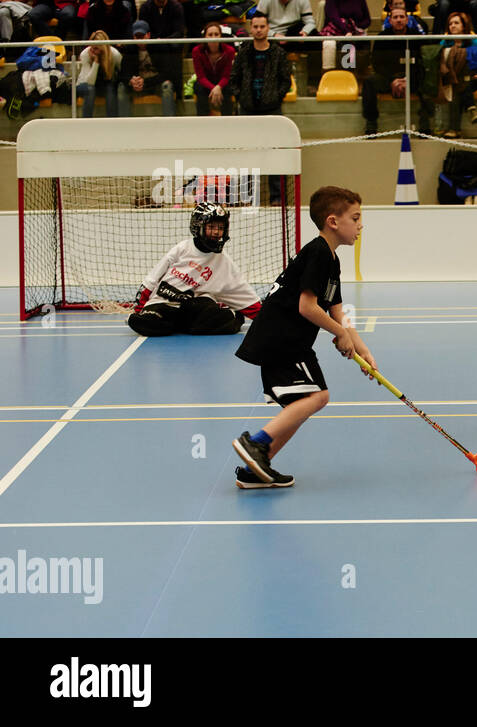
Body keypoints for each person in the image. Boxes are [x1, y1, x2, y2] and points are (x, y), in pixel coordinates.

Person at [232, 186, 375, 489]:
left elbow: (336, 310)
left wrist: (362, 350)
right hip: (281, 338)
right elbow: (307, 306)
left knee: (305, 401)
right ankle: (256, 444)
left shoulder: (330, 259)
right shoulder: (319, 253)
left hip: (285, 339)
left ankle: (256, 467)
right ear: (333, 221)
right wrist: (339, 335)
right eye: (356, 217)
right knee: (317, 397)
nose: (361, 224)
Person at [128, 202, 262, 337]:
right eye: (211, 227)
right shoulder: (182, 249)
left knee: (209, 319)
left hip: (196, 307)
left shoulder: (224, 262)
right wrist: (139, 310)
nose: (216, 232)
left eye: (221, 228)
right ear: (198, 227)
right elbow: (151, 281)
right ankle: (176, 324)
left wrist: (267, 318)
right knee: (149, 322)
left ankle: (232, 316)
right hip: (164, 304)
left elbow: (245, 295)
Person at [230, 13, 292, 204]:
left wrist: (275, 97)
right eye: (255, 27)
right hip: (247, 109)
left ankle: (277, 198)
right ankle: (248, 197)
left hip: (272, 110)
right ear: (251, 28)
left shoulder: (278, 54)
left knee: (275, 153)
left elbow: (285, 81)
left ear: (267, 28)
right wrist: (242, 97)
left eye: (262, 26)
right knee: (247, 153)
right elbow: (234, 79)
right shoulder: (243, 52)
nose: (258, 30)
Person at [363, 5, 429, 135]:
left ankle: (425, 123)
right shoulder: (382, 37)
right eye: (395, 17)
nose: (399, 20)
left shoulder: (416, 37)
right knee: (369, 82)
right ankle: (371, 123)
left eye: (402, 17)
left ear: (407, 19)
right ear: (390, 20)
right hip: (388, 79)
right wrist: (393, 80)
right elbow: (377, 64)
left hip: (412, 78)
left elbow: (422, 62)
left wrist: (407, 79)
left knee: (427, 79)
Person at [430, 10, 477, 138]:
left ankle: (455, 129)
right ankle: (471, 109)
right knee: (458, 88)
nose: (452, 26)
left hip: (472, 78)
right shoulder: (444, 43)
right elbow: (440, 63)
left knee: (464, 84)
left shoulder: (473, 42)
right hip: (452, 78)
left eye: (456, 23)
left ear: (464, 26)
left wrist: (476, 74)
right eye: (450, 23)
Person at [121, 19, 181, 116]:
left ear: (148, 35)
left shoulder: (159, 47)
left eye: (142, 36)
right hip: (137, 86)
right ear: (133, 37)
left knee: (167, 86)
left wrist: (146, 82)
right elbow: (123, 74)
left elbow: (168, 73)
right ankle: (123, 124)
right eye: (137, 36)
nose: (140, 40)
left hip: (156, 84)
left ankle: (169, 122)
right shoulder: (129, 49)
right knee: (121, 88)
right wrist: (131, 80)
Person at [75, 29, 123, 117]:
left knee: (111, 90)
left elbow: (122, 72)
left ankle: (112, 122)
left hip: (106, 83)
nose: (93, 51)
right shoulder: (85, 54)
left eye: (96, 48)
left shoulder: (115, 54)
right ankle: (86, 121)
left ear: (103, 47)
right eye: (92, 47)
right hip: (84, 84)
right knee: (90, 89)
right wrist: (96, 62)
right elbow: (90, 82)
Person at [192, 21, 234, 116]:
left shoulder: (229, 51)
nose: (213, 37)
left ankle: (228, 120)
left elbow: (226, 76)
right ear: (205, 37)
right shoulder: (197, 51)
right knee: (199, 87)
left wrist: (218, 87)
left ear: (220, 36)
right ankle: (203, 120)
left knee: (229, 88)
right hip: (205, 83)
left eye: (216, 34)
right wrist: (214, 88)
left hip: (222, 83)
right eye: (210, 34)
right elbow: (201, 77)